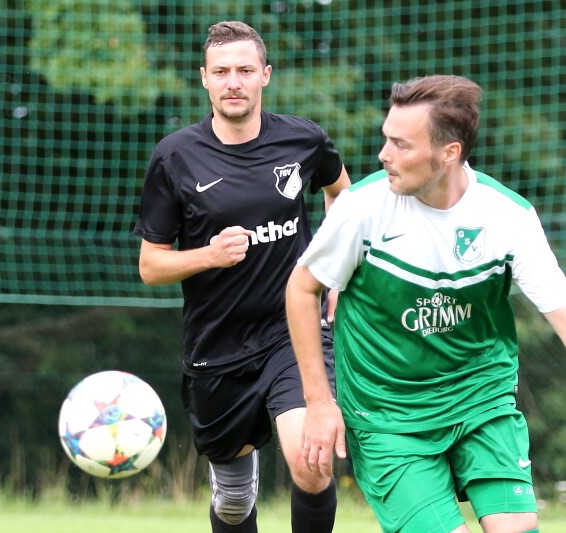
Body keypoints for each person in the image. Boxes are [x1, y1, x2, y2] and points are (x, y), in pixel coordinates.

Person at [286, 75, 566, 533]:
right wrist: (319, 402)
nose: (383, 155)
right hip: (388, 415)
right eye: (386, 139)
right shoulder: (362, 208)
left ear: (449, 152)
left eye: (401, 144)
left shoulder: (507, 217)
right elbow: (301, 290)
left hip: (481, 400)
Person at [133, 21, 350, 533]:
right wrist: (208, 255)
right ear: (204, 78)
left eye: (245, 71)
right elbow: (151, 265)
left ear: (265, 75)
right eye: (222, 72)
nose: (234, 82)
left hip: (292, 331)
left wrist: (337, 272)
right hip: (217, 345)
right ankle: (234, 488)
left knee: (311, 461)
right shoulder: (175, 157)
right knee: (233, 504)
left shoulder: (303, 139)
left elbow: (343, 195)